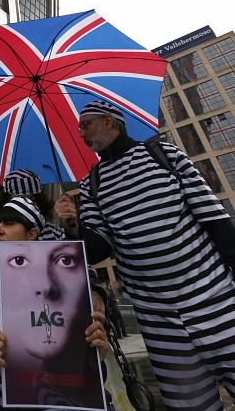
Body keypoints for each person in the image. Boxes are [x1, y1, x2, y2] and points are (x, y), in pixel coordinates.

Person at [66, 99, 235, 411]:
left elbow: (216, 221)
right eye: (79, 126)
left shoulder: (164, 154)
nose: (80, 131)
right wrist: (70, 224)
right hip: (160, 324)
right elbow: (96, 250)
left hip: (216, 302)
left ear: (109, 121)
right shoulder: (91, 184)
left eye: (85, 123)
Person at [0, 197, 109, 410]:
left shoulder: (68, 285)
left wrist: (95, 358)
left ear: (32, 234)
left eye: (9, 223)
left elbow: (88, 381)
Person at [0, 169, 74, 277]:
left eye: (30, 200)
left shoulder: (55, 233)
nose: (23, 205)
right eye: (16, 201)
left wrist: (72, 227)